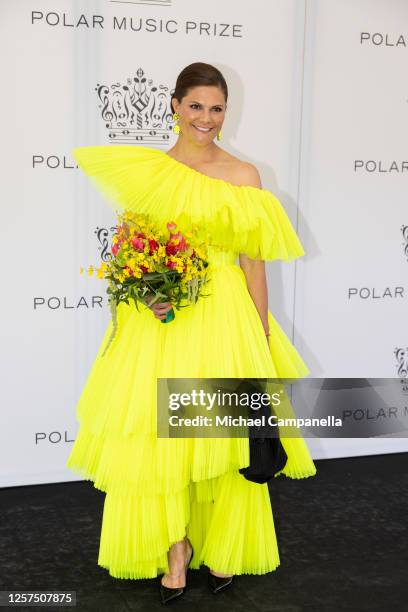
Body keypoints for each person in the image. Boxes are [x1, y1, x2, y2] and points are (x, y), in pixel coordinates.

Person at [66, 61, 316, 605]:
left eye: (217, 107)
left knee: (224, 441)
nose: (206, 117)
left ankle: (223, 549)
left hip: (226, 317)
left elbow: (254, 262)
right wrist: (152, 295)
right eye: (196, 105)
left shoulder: (245, 176)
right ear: (175, 105)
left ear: (226, 115)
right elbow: (132, 250)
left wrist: (262, 332)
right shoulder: (151, 171)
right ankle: (176, 553)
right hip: (162, 323)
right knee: (167, 444)